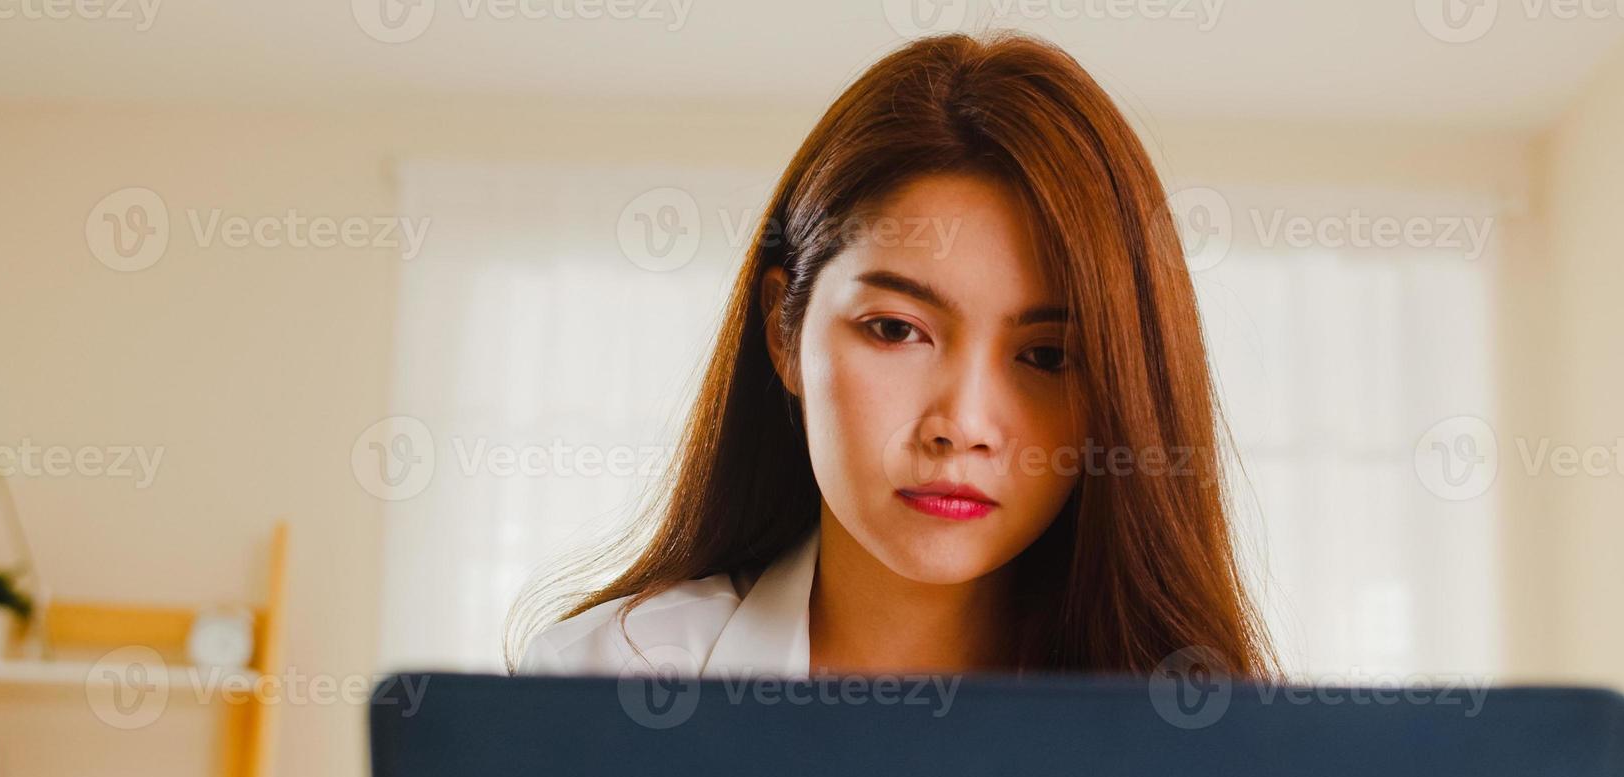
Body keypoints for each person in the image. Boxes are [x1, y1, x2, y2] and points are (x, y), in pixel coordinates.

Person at [507, 30, 1273, 682]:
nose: (962, 425)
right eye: (896, 330)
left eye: (1044, 356)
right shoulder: (604, 682)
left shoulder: (1200, 734)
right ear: (783, 331)